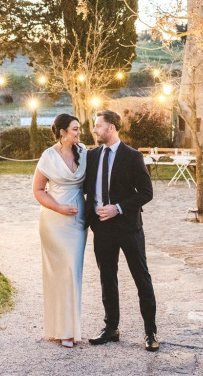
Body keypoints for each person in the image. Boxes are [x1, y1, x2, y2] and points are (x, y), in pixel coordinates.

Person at [84, 109, 159, 352]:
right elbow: (84, 188)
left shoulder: (133, 156)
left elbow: (146, 193)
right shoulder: (92, 156)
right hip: (102, 228)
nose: (94, 130)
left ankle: (150, 332)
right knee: (107, 278)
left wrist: (118, 208)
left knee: (141, 278)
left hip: (128, 228)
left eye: (98, 125)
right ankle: (111, 328)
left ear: (111, 127)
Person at [33, 113, 87, 347]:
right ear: (63, 132)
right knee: (59, 274)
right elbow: (38, 190)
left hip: (78, 222)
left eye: (79, 128)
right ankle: (62, 330)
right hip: (54, 222)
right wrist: (58, 207)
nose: (79, 132)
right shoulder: (48, 156)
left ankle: (70, 328)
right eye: (75, 129)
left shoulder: (84, 152)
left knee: (72, 271)